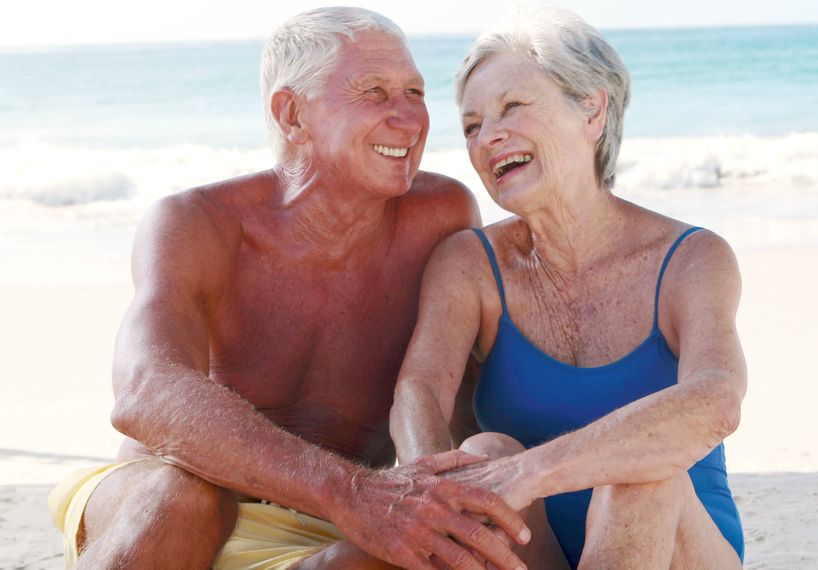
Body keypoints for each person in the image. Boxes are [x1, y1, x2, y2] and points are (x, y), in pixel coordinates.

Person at [46, 7, 532, 570]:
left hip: (338, 523)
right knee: (184, 500)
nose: (410, 119)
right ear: (292, 114)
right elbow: (145, 391)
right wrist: (348, 492)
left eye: (415, 92)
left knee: (443, 545)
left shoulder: (440, 214)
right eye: (374, 92)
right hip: (172, 502)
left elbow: (463, 393)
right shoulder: (198, 222)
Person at [390, 6, 747, 568]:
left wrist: (528, 473)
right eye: (472, 125)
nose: (489, 136)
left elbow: (716, 400)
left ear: (591, 110)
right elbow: (421, 391)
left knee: (639, 479)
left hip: (681, 548)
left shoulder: (692, 259)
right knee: (480, 455)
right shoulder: (470, 263)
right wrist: (431, 497)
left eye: (513, 107)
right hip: (541, 552)